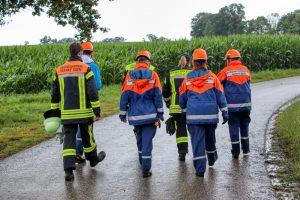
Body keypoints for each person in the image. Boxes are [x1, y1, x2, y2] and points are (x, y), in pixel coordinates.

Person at [50, 42, 106, 181]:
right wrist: (97, 111)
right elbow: (93, 92)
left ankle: (68, 171)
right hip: (84, 113)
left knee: (69, 141)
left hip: (67, 114)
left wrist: (55, 112)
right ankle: (93, 160)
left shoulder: (58, 70)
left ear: (70, 52)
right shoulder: (86, 69)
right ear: (80, 53)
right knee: (88, 138)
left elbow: (54, 94)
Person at [179, 48, 228, 177]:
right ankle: (212, 159)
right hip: (210, 117)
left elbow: (182, 97)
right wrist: (224, 111)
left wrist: (183, 111)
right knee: (210, 139)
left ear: (193, 62)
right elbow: (220, 95)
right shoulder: (213, 77)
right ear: (205, 61)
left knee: (197, 142)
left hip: (194, 117)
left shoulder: (187, 79)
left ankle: (200, 170)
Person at [119, 50, 164, 178]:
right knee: (147, 142)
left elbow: (124, 95)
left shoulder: (129, 75)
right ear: (148, 62)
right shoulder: (153, 75)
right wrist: (160, 113)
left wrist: (122, 114)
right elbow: (157, 96)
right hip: (150, 116)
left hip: (135, 116)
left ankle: (142, 162)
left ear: (137, 61)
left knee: (140, 141)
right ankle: (145, 169)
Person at [217, 49, 251, 159]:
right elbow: (248, 83)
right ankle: (246, 150)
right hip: (246, 105)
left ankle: (236, 152)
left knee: (234, 128)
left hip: (232, 106)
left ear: (229, 59)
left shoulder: (226, 71)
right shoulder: (246, 70)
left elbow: (216, 83)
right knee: (244, 126)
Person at [75, 41, 103, 163]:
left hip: (72, 101)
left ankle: (76, 153)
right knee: (85, 129)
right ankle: (86, 154)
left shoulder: (73, 65)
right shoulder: (93, 66)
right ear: (91, 52)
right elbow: (98, 85)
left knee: (75, 128)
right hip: (87, 102)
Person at [162, 53, 192, 161]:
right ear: (189, 62)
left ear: (179, 61)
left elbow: (165, 92)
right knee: (194, 129)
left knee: (180, 129)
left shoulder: (171, 73)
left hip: (176, 106)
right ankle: (198, 151)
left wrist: (168, 103)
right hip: (191, 106)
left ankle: (182, 153)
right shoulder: (192, 72)